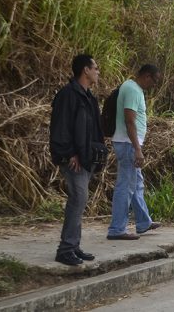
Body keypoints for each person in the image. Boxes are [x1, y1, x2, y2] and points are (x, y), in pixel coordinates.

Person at [50, 54, 105, 266]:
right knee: (78, 199)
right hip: (74, 159)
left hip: (86, 158)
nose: (98, 72)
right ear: (85, 70)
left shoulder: (88, 97)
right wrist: (69, 154)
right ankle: (65, 249)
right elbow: (60, 128)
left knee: (80, 201)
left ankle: (73, 246)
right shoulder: (68, 95)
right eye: (96, 68)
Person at [107, 64, 163, 240]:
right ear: (146, 76)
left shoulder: (133, 88)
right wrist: (137, 149)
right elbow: (129, 121)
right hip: (128, 144)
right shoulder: (132, 89)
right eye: (154, 81)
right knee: (125, 186)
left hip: (129, 143)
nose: (154, 85)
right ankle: (117, 229)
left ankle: (143, 222)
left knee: (137, 183)